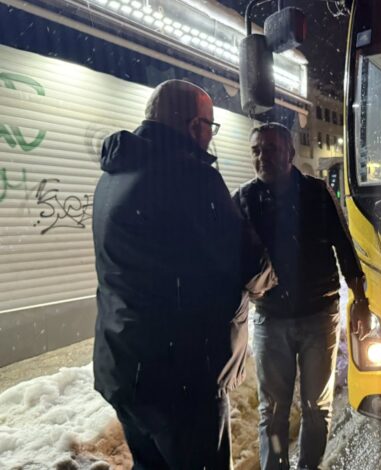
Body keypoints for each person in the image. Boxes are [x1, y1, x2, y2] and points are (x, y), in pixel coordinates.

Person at [92, 79, 269, 469]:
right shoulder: (191, 176)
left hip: (122, 367)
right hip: (180, 379)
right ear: (193, 126)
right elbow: (251, 265)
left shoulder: (111, 178)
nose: (210, 137)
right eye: (210, 126)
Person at [232, 122, 368, 470]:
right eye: (256, 150)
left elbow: (345, 246)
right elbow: (230, 260)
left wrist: (360, 301)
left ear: (290, 153)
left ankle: (309, 465)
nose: (262, 157)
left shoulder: (317, 193)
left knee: (315, 406)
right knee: (272, 410)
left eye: (271, 149)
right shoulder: (244, 199)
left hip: (319, 315)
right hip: (269, 316)